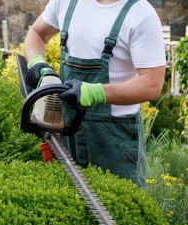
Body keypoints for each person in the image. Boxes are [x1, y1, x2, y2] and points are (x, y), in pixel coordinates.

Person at [24, 0, 166, 189]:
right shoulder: (66, 3)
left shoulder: (140, 14)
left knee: (119, 213)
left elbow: (152, 84)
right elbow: (37, 34)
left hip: (113, 140)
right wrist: (37, 63)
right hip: (65, 130)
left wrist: (96, 92)